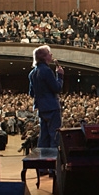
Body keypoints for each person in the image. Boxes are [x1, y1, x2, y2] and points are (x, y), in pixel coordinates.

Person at [28, 45, 64, 175]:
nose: (52, 55)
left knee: (43, 138)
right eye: (49, 53)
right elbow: (57, 88)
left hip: (41, 108)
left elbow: (32, 93)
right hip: (52, 108)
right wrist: (59, 76)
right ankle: (53, 169)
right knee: (54, 137)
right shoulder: (46, 71)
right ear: (44, 57)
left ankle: (42, 167)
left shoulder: (32, 73)